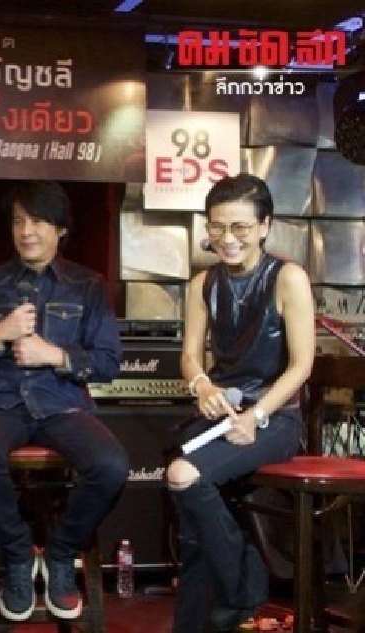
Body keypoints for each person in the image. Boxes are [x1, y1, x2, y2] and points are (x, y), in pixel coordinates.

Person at [0, 180, 126, 621]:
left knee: (111, 465)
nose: (26, 231)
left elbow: (108, 363)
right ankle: (18, 555)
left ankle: (61, 553)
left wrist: (56, 356)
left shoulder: (87, 285)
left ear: (61, 228)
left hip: (62, 406)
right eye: (18, 221)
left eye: (38, 221)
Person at [166, 174, 314, 632]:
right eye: (217, 227)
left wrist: (257, 415)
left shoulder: (288, 278)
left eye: (240, 228)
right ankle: (206, 620)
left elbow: (302, 366)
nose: (227, 238)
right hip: (221, 413)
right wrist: (203, 387)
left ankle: (245, 591)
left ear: (265, 226)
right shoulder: (202, 283)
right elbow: (190, 357)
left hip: (276, 417)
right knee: (192, 524)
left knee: (183, 475)